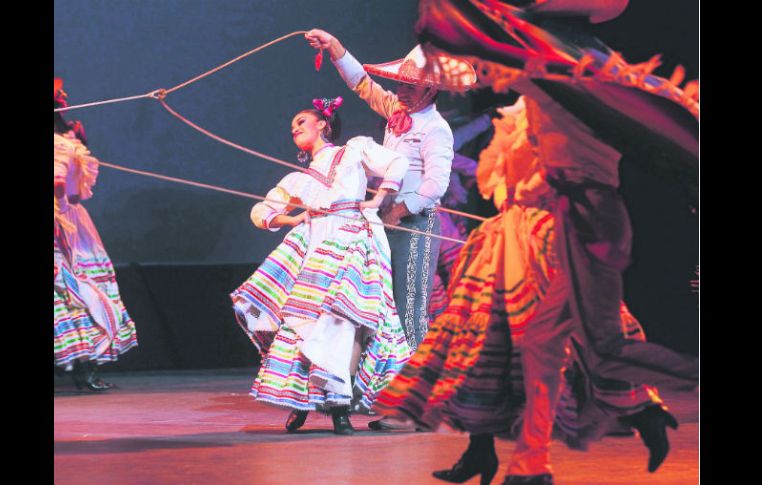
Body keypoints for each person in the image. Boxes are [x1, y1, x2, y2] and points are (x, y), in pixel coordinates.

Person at [373, 97, 681, 485]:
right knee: (479, 343)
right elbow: (498, 177)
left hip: (547, 235)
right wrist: (511, 193)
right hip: (504, 235)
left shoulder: (571, 119)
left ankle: (643, 412)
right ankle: (479, 450)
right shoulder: (518, 118)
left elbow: (578, 174)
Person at [230, 97, 412, 435]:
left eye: (302, 121)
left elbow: (398, 162)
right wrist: (293, 217)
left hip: (357, 237)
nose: (295, 127)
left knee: (343, 320)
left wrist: (378, 197)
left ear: (323, 125)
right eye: (292, 126)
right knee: (310, 323)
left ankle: (340, 405)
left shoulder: (354, 151)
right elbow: (261, 212)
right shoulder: (296, 181)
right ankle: (307, 399)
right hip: (316, 245)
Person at [305, 29, 476, 353]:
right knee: (384, 302)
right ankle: (386, 381)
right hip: (387, 220)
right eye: (400, 85)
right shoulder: (396, 112)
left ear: (429, 90)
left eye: (410, 87)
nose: (401, 92)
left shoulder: (435, 129)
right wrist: (335, 47)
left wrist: (399, 210)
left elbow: (435, 185)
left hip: (416, 224)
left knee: (410, 303)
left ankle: (416, 383)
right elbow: (362, 85)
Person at [53, 77, 138, 391]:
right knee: (75, 289)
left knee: (76, 289)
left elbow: (71, 189)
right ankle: (82, 369)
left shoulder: (67, 137)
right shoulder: (62, 142)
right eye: (57, 89)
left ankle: (83, 366)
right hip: (64, 222)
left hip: (69, 221)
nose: (63, 92)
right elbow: (62, 185)